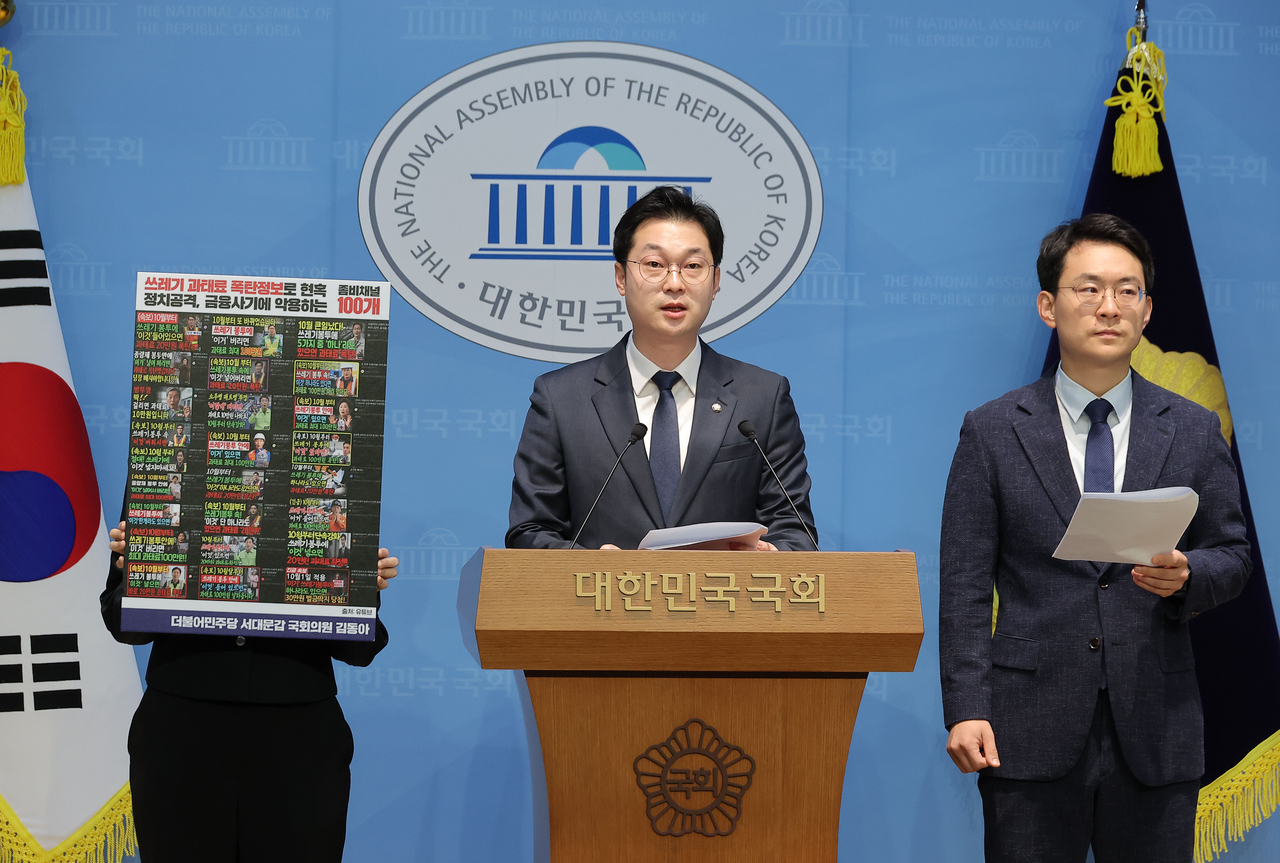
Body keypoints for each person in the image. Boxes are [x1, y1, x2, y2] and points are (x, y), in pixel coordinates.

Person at [939, 214, 1252, 863]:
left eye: (1127, 290)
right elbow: (965, 583)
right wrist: (966, 706)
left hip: (1157, 726)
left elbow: (1234, 554)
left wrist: (1188, 575)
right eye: (1088, 289)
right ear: (1048, 306)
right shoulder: (994, 431)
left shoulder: (1193, 428)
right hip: (1026, 726)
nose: (1108, 306)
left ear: (1147, 309)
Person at [507, 186, 817, 551]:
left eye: (693, 266)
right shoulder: (561, 399)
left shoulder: (762, 398)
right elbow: (529, 533)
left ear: (715, 282)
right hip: (602, 604)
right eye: (654, 265)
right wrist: (589, 568)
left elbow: (796, 531)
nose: (674, 283)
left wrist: (772, 556)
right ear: (621, 277)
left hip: (724, 604)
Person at [104, 511, 398, 862]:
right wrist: (142, 574)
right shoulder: (168, 460)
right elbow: (125, 626)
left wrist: (358, 587)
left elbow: (357, 649)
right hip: (180, 735)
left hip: (298, 742)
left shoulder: (335, 478)